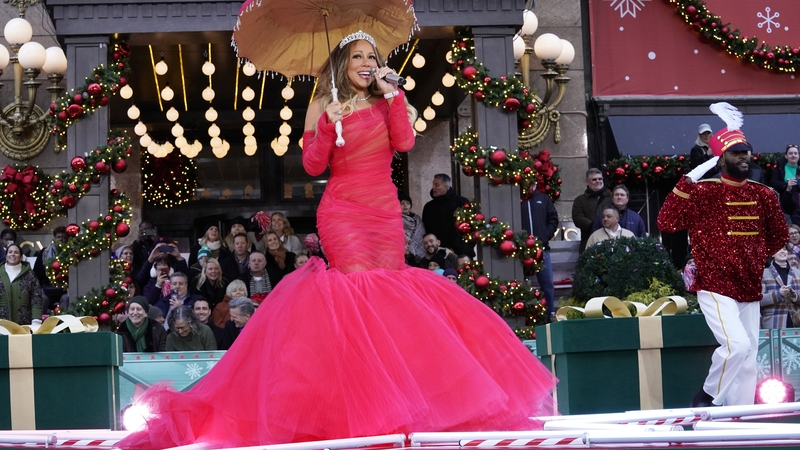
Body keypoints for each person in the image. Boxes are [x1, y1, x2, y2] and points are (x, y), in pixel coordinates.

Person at [119, 31, 555, 449]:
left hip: (383, 211)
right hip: (343, 211)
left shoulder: (388, 101)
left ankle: (404, 405)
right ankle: (357, 412)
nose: (367, 64)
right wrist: (328, 124)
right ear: (342, 65)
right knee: (353, 301)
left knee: (389, 301)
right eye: (358, 57)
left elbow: (404, 142)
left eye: (373, 57)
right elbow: (311, 166)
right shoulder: (322, 105)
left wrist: (395, 95)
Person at [657, 105, 787, 407]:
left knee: (749, 362)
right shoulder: (704, 192)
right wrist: (691, 177)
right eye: (736, 153)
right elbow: (667, 221)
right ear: (721, 158)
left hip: (750, 287)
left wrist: (756, 256)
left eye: (746, 152)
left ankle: (739, 419)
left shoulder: (763, 193)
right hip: (715, 284)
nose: (744, 157)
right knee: (737, 346)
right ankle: (707, 397)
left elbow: (779, 234)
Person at [520, 189, 559, 320]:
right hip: (521, 249)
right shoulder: (517, 199)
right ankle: (525, 313)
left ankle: (550, 313)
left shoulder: (543, 199)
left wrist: (545, 235)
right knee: (521, 283)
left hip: (541, 249)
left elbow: (553, 218)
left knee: (547, 282)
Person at [422, 174, 474, 259]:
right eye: (433, 184)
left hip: (462, 253)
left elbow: (471, 226)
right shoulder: (429, 207)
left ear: (446, 187)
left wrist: (467, 246)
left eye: (437, 185)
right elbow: (427, 230)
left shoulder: (461, 202)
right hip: (438, 254)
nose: (433, 188)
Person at [0, 244, 42, 325]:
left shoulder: (29, 274)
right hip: (2, 324)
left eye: (16, 252)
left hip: (24, 324)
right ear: (6, 256)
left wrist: (36, 320)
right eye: (10, 252)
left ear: (21, 257)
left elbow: (36, 298)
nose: (12, 254)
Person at [572, 168, 612, 253]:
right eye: (594, 179)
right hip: (588, 241)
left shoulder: (611, 198)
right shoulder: (580, 200)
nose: (598, 181)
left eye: (600, 179)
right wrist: (594, 226)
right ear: (587, 182)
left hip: (610, 241)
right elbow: (577, 218)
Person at [760, 246, 800, 329]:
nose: (783, 251)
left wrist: (794, 296)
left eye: (785, 249)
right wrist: (779, 294)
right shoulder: (764, 273)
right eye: (779, 249)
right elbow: (760, 300)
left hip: (796, 322)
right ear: (772, 254)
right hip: (774, 323)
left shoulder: (797, 272)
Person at [33, 226, 68, 312]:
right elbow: (36, 272)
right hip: (46, 287)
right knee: (43, 299)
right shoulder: (44, 252)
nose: (61, 239)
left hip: (63, 288)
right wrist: (48, 271)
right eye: (59, 237)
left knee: (66, 298)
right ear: (54, 238)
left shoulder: (69, 253)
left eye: (64, 237)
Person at [769, 144, 800, 219]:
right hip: (785, 200)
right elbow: (773, 182)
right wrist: (786, 185)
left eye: (795, 153)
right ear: (786, 156)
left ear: (798, 156)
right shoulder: (781, 167)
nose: (793, 155)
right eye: (790, 153)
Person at [399, 191, 425, 263]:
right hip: (402, 250)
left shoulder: (417, 218)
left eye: (407, 203)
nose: (405, 206)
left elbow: (421, 232)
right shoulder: (396, 219)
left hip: (417, 249)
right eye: (402, 204)